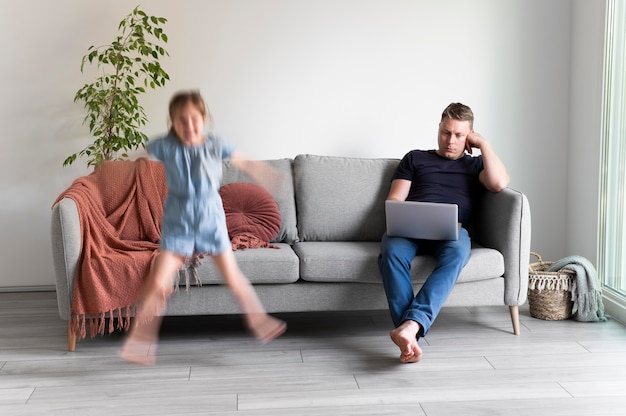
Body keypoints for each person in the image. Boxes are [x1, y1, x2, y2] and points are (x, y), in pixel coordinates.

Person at [119, 90, 286, 365]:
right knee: (159, 282)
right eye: (181, 120)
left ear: (204, 118)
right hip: (178, 224)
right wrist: (127, 165)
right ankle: (140, 340)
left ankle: (259, 320)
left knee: (233, 277)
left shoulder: (216, 144)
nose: (189, 126)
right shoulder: (167, 146)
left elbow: (243, 160)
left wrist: (263, 172)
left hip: (211, 221)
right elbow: (141, 155)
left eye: (194, 119)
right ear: (172, 122)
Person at [378, 102, 509, 363]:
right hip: (409, 228)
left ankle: (409, 328)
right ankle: (412, 328)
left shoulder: (475, 166)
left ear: (470, 136)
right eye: (446, 132)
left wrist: (484, 145)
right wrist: (401, 214)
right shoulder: (415, 158)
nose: (450, 140)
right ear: (438, 129)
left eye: (460, 135)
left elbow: (498, 183)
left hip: (452, 231)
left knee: (459, 253)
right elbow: (395, 200)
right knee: (390, 253)